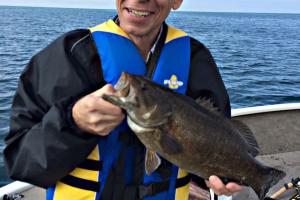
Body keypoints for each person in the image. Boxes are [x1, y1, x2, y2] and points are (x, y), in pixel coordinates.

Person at [4, 0, 242, 199]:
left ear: (177, 1)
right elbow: (22, 163)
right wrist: (72, 122)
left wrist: (220, 177)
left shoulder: (194, 59)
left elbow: (219, 141)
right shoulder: (70, 54)